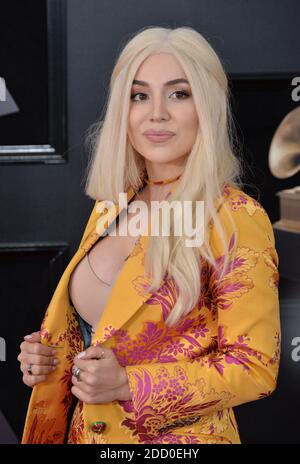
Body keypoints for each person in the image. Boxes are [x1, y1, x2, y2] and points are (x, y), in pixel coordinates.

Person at [18, 26, 281, 444]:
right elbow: (104, 329)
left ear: (207, 106)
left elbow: (255, 367)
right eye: (139, 95)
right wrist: (49, 356)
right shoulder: (113, 202)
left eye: (179, 93)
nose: (156, 113)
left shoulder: (235, 217)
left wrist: (127, 385)